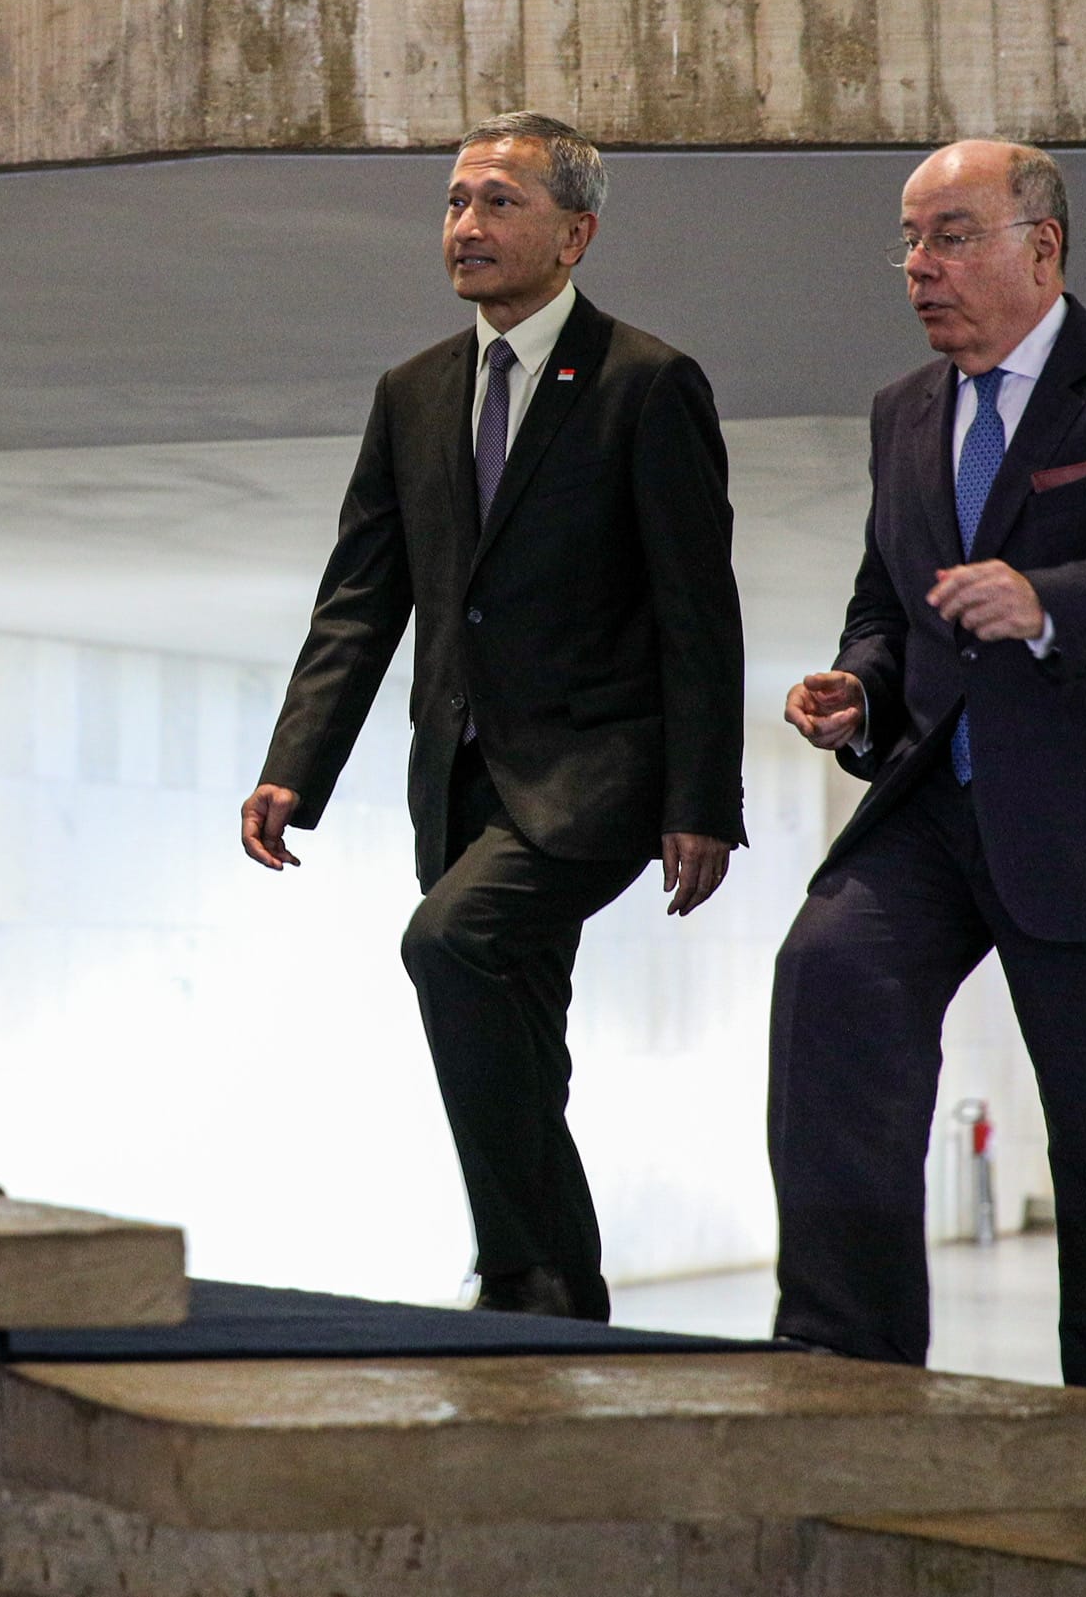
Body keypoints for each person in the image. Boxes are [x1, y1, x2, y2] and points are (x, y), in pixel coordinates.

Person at [773, 138, 1086, 1402]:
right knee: (830, 979)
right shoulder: (904, 411)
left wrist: (1046, 598)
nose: (917, 269)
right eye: (909, 240)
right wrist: (859, 687)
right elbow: (887, 599)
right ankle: (847, 1373)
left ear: (1039, 248)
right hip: (935, 800)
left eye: (948, 236)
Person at [240, 110, 747, 1322]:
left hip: (595, 773)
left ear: (573, 234)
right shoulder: (413, 391)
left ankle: (521, 1269)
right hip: (458, 775)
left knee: (447, 942)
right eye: (456, 202)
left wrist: (701, 801)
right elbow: (361, 600)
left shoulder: (646, 382)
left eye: (499, 203)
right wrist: (292, 768)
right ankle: (563, 1292)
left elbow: (696, 608)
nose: (467, 225)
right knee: (518, 1032)